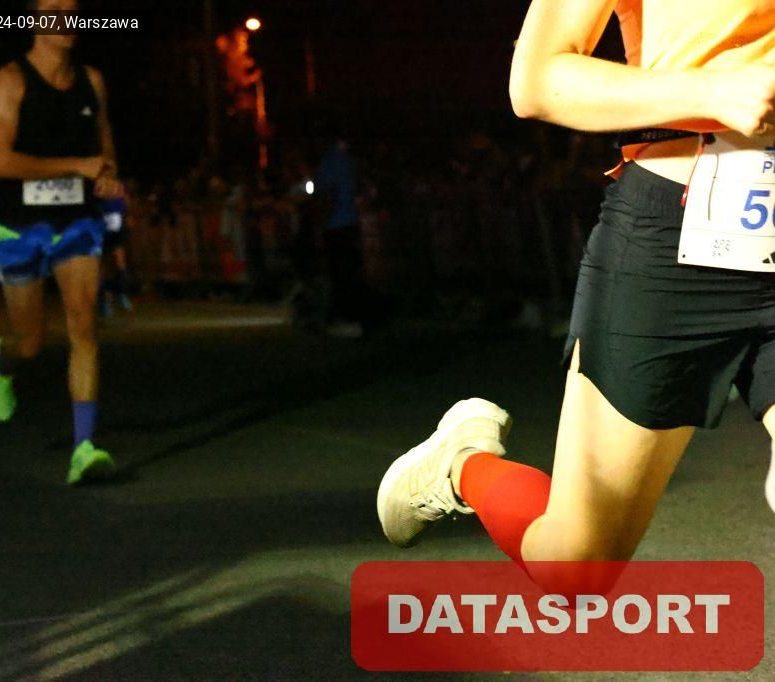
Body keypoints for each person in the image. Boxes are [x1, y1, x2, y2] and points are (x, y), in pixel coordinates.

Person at [377, 0, 775, 594]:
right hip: (673, 238)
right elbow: (537, 78)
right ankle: (463, 465)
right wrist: (712, 92)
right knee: (575, 564)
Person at [0, 0, 125, 485]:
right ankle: (1, 361)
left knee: (83, 325)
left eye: (72, 9)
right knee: (31, 341)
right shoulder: (10, 80)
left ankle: (84, 448)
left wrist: (106, 173)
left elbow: (104, 144)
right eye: (52, 9)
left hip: (77, 219)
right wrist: (76, 166)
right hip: (20, 224)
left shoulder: (92, 81)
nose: (65, 18)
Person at [315, 129, 364, 339]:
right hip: (350, 223)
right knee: (348, 273)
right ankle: (351, 317)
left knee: (338, 274)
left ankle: (343, 319)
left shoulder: (330, 162)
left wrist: (320, 227)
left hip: (336, 225)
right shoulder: (348, 160)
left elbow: (328, 195)